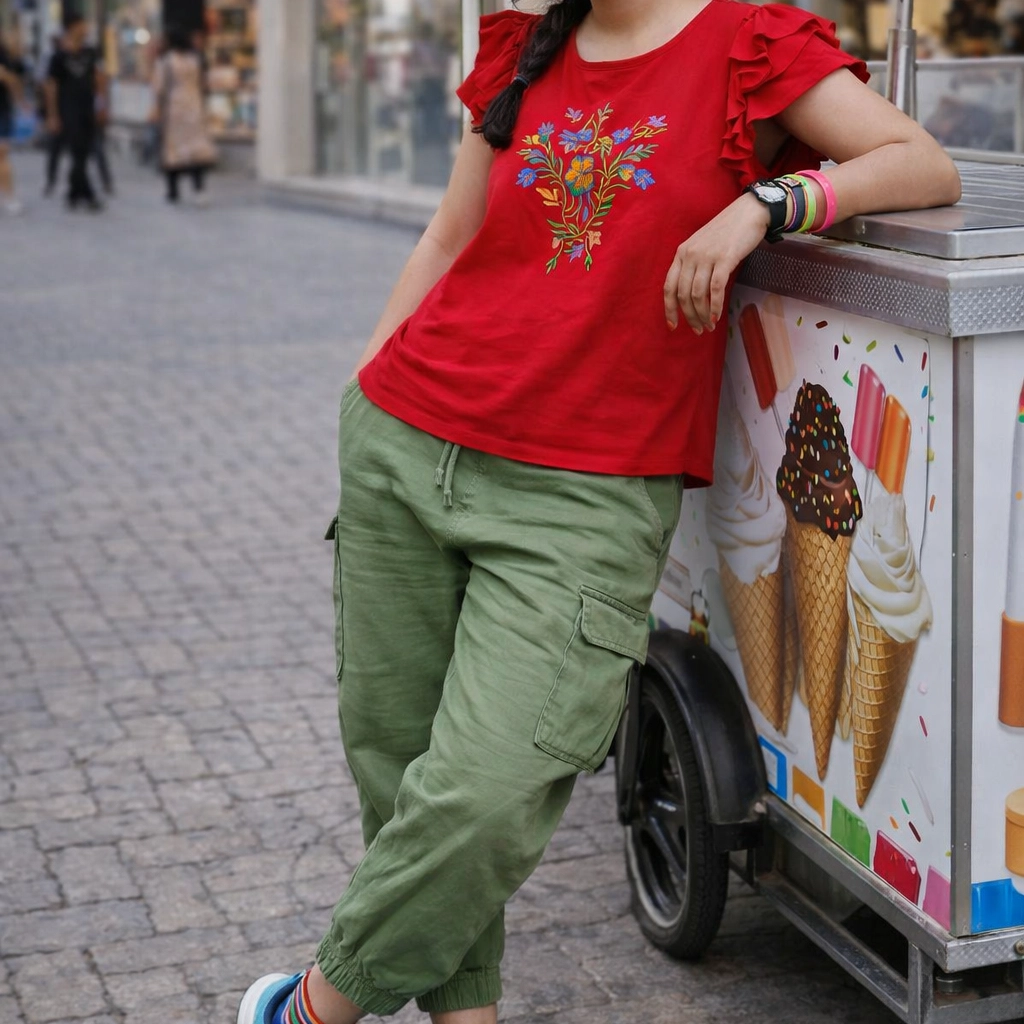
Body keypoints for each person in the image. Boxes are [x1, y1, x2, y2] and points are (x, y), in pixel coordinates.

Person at [236, 1, 961, 1022]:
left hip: (586, 495)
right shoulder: (520, 46)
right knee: (405, 782)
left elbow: (918, 160)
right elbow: (451, 235)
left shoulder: (748, 44)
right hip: (408, 444)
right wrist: (365, 389)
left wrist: (762, 204)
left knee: (482, 795)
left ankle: (310, 1007)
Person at [45, 14, 105, 211]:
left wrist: (101, 105)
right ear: (72, 27)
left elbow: (98, 80)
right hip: (68, 110)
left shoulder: (90, 53)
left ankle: (73, 193)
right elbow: (51, 86)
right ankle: (88, 195)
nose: (86, 28)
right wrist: (53, 115)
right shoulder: (58, 57)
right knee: (77, 151)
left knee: (84, 152)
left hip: (87, 108)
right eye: (82, 25)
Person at [148, 26, 215, 205]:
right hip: (194, 108)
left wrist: (155, 109)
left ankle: (173, 190)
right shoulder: (195, 60)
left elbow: (158, 88)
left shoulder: (166, 61)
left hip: (174, 111)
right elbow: (205, 85)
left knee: (173, 152)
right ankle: (199, 189)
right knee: (195, 152)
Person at [0, 29, 26, 215]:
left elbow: (13, 79)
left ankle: (9, 196)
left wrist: (20, 100)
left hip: (1, 109)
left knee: (2, 155)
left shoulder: (3, 53)